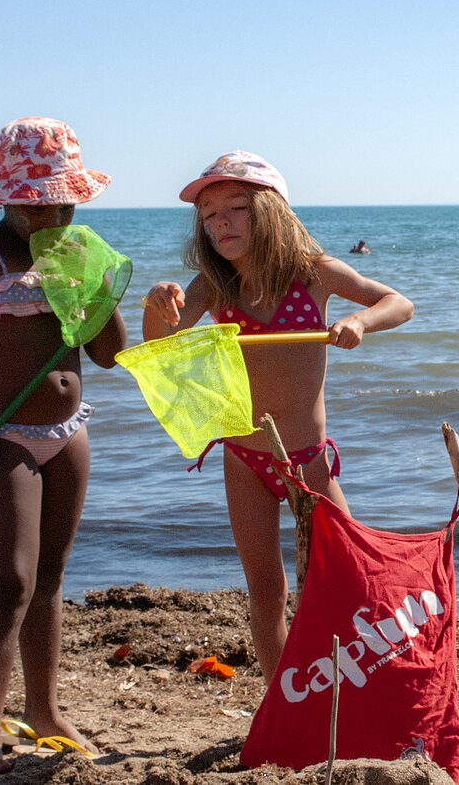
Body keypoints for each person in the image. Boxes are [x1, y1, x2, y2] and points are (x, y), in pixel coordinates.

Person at [141, 151, 413, 683]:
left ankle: (364, 684)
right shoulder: (213, 286)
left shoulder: (315, 274)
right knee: (266, 591)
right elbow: (160, 346)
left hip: (308, 462)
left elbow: (398, 302)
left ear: (270, 210)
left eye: (235, 208)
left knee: (344, 577)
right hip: (244, 461)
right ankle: (279, 698)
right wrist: (157, 307)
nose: (220, 221)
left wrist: (360, 320)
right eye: (209, 213)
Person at [0, 117, 126, 773]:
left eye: (62, 199)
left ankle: (43, 710)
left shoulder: (76, 253)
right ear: (5, 196)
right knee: (8, 579)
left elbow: (109, 354)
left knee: (51, 578)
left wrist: (97, 282)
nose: (51, 211)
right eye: (37, 200)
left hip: (68, 435)